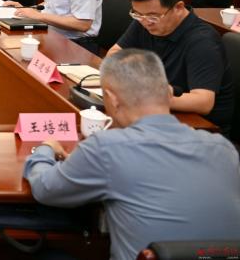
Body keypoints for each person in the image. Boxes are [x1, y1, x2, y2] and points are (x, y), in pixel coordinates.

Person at [23, 49, 240, 260]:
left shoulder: (106, 148)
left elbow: (45, 188)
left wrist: (45, 149)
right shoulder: (224, 149)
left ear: (111, 99)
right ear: (168, 93)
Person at [107, 0, 233, 133]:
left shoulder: (203, 42)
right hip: (156, 115)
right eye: (137, 14)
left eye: (152, 17)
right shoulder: (145, 19)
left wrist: (146, 98)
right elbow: (114, 55)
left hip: (199, 130)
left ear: (178, 7)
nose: (145, 22)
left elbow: (203, 102)